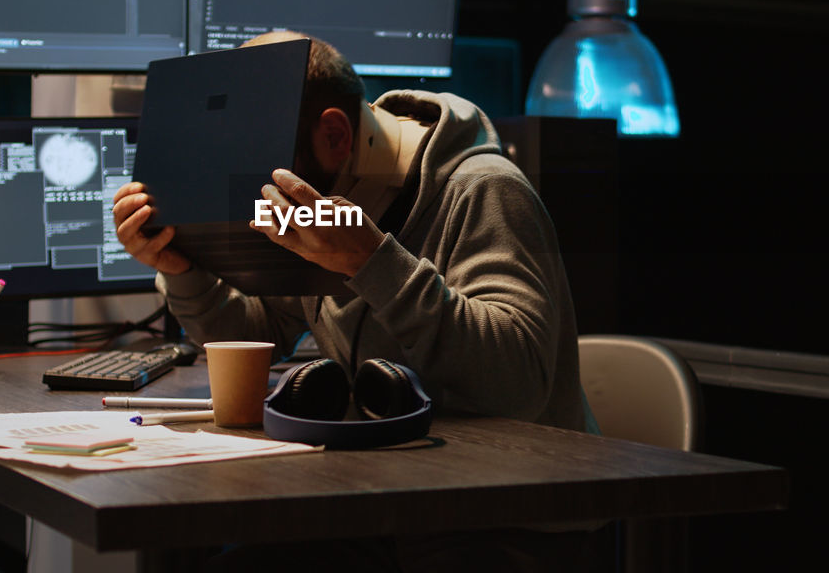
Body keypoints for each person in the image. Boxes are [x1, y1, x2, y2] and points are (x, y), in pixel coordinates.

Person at [113, 32, 602, 570]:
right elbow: (261, 334)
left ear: (336, 134)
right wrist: (181, 272)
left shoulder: (484, 190)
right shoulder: (323, 196)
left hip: (502, 518)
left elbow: (516, 384)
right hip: (382, 503)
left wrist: (370, 262)